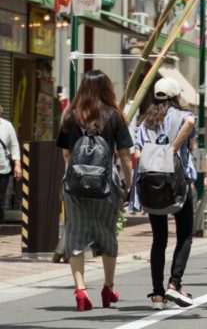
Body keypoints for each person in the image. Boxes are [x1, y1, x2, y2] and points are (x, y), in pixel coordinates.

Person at [57, 70, 134, 312]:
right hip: (106, 185)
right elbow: (124, 155)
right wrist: (128, 182)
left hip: (74, 184)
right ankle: (108, 287)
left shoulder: (70, 115)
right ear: (107, 88)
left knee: (76, 233)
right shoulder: (115, 116)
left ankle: (80, 290)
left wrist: (73, 176)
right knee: (107, 235)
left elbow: (66, 153)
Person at [130, 78, 198, 310]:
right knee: (185, 235)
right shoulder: (182, 116)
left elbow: (137, 156)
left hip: (152, 184)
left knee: (159, 239)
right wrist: (172, 149)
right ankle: (174, 283)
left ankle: (157, 294)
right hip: (178, 184)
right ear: (175, 96)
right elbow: (191, 128)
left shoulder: (143, 123)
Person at [0, 105, 21, 221]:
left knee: (0, 199)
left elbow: (14, 145)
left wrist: (17, 165)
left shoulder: (7, 126)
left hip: (3, 169)